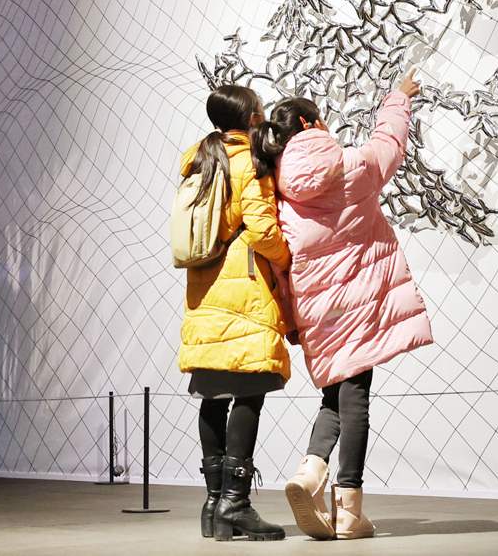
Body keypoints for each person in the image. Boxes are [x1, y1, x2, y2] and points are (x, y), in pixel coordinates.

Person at [256, 72, 432, 541]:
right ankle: (348, 506)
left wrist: (292, 320)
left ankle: (312, 471)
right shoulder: (353, 165)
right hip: (360, 302)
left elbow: (279, 261)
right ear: (310, 123)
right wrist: (397, 98)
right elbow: (389, 144)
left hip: (317, 310)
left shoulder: (278, 189)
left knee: (336, 393)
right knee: (357, 397)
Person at [178, 84, 292, 542]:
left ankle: (213, 504)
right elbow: (263, 229)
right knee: (248, 390)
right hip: (243, 288)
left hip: (204, 286)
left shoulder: (199, 161)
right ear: (249, 118)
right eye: (259, 111)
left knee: (212, 392)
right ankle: (236, 503)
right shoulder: (249, 163)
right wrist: (286, 259)